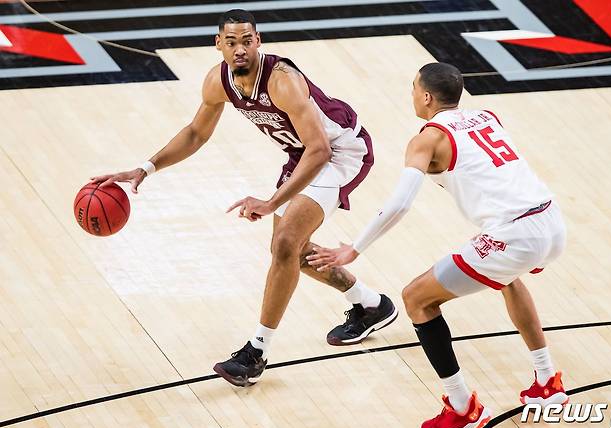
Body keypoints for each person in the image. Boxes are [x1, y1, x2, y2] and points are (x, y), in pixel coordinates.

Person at [91, 9, 398, 387]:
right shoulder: (218, 81)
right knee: (292, 253)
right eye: (231, 41)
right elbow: (195, 134)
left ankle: (256, 353)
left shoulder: (282, 80)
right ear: (218, 44)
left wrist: (270, 202)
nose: (239, 49)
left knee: (285, 243)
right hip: (302, 154)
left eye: (247, 41)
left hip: (340, 150)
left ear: (258, 41)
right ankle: (370, 304)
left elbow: (319, 150)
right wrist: (145, 168)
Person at [308, 62, 568, 428]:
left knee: (416, 299)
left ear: (426, 97)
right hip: (552, 220)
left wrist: (355, 248)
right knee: (508, 280)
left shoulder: (426, 140)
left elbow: (399, 204)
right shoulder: (487, 116)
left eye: (413, 87)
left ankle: (463, 408)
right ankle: (546, 381)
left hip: (515, 234)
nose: (411, 93)